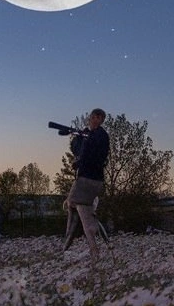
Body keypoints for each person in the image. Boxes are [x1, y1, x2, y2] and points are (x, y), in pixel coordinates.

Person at [64, 108, 110, 264]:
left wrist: (79, 161)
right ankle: (96, 232)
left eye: (99, 118)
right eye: (93, 117)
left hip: (88, 179)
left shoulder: (101, 136)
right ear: (90, 118)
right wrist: (77, 138)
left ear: (102, 120)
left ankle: (71, 236)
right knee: (84, 210)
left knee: (72, 203)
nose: (95, 120)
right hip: (91, 180)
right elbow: (77, 149)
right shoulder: (88, 135)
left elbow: (92, 154)